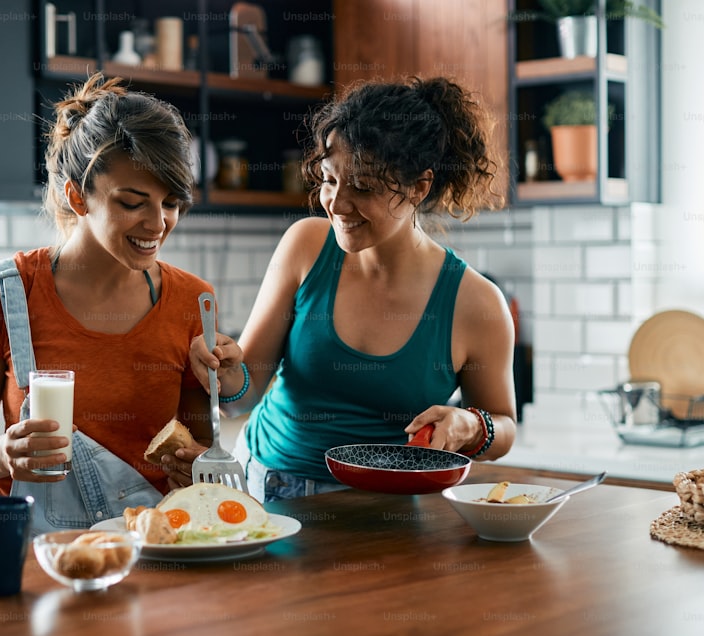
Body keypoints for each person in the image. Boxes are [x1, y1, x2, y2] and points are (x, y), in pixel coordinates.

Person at [183, 76, 517, 502]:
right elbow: (241, 398)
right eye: (328, 179)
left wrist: (470, 425)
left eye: (363, 187)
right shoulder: (306, 246)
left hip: (392, 505)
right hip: (270, 487)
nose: (337, 204)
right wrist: (225, 372)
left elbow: (504, 425)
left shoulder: (476, 303)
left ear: (419, 186)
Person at [0, 73, 210, 532]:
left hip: (152, 551)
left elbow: (201, 446)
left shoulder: (192, 299)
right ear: (76, 196)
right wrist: (2, 453)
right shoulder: (5, 292)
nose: (158, 223)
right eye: (133, 202)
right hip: (35, 552)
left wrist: (198, 465)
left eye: (171, 202)